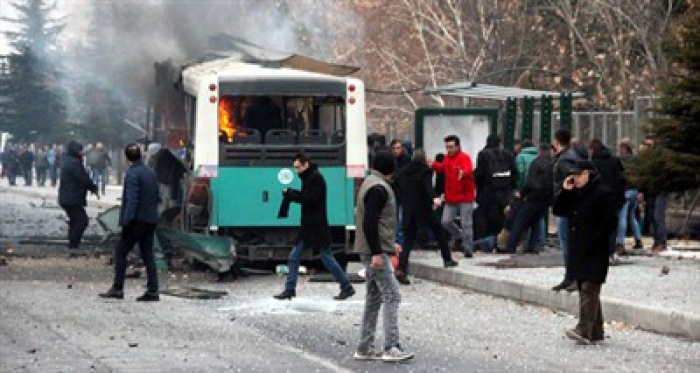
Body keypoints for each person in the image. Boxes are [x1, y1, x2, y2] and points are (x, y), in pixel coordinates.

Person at [353, 150, 414, 362]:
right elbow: (370, 222)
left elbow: (377, 223)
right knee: (392, 295)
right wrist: (378, 252)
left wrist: (390, 244)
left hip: (370, 249)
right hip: (373, 252)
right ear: (391, 168)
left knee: (373, 297)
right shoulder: (379, 189)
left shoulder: (370, 183)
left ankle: (365, 346)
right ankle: (391, 347)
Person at [553, 160, 618, 345]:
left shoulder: (602, 193)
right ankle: (596, 330)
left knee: (590, 287)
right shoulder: (576, 193)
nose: (575, 178)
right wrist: (565, 191)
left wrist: (595, 239)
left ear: (587, 174)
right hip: (579, 249)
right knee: (585, 285)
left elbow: (610, 222)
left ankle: (583, 328)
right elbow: (559, 210)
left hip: (595, 249)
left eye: (577, 175)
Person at [274, 154, 355, 301]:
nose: (296, 171)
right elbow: (308, 197)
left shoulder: (314, 178)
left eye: (298, 167)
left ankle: (346, 286)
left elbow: (309, 199)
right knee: (299, 257)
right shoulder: (311, 177)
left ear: (306, 165)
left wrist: (291, 195)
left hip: (315, 226)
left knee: (323, 258)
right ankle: (290, 288)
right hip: (311, 225)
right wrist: (292, 193)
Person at [99, 144, 161, 301]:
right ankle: (153, 290)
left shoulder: (132, 174)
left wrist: (126, 221)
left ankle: (117, 288)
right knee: (148, 255)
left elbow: (132, 200)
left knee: (121, 252)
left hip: (136, 221)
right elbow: (157, 196)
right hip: (150, 219)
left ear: (127, 158)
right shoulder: (150, 172)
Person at [394, 149, 457, 284]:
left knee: (408, 241)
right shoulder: (425, 171)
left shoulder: (403, 171)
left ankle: (401, 269)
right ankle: (447, 259)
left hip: (408, 210)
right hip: (423, 209)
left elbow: (396, 185)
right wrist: (434, 197)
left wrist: (403, 200)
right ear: (424, 159)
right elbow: (427, 187)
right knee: (439, 232)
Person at [551, 129, 588, 291]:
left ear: (557, 142)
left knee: (568, 244)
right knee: (570, 243)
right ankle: (572, 277)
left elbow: (571, 181)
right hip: (572, 206)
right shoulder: (573, 157)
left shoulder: (565, 160)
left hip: (567, 206)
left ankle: (572, 277)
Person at [431, 135, 476, 257]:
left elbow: (468, 169)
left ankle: (468, 249)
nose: (449, 150)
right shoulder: (446, 158)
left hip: (465, 196)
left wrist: (464, 173)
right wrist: (432, 164)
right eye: (447, 147)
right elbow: (442, 168)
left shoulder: (464, 158)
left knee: (466, 223)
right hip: (451, 196)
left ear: (458, 146)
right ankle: (460, 236)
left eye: (451, 147)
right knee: (445, 221)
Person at [504, 144, 553, 254]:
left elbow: (530, 182)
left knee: (520, 221)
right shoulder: (551, 163)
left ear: (540, 151)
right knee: (536, 222)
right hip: (545, 199)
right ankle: (533, 246)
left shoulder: (536, 163)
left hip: (533, 196)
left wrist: (522, 193)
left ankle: (511, 245)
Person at [473, 135, 517, 252]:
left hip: (487, 193)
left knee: (484, 219)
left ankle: (484, 244)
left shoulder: (483, 154)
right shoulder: (508, 154)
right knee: (502, 220)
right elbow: (514, 173)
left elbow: (479, 175)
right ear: (500, 143)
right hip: (504, 194)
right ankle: (501, 245)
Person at [58, 141, 98, 253]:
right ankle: (73, 246)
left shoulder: (69, 161)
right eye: (80, 150)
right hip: (72, 198)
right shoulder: (74, 163)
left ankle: (72, 245)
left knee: (75, 221)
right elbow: (83, 178)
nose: (82, 152)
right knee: (82, 221)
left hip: (68, 197)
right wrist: (93, 187)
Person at [589, 139, 625, 262]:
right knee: (612, 227)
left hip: (599, 200)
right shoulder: (615, 161)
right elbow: (621, 180)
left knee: (598, 227)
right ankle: (611, 252)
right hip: (614, 199)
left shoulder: (594, 163)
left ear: (593, 150)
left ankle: (601, 253)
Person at [616, 139, 643, 251]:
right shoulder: (637, 160)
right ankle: (638, 240)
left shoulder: (620, 160)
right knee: (632, 217)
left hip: (625, 191)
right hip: (635, 191)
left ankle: (620, 243)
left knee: (622, 217)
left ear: (623, 148)